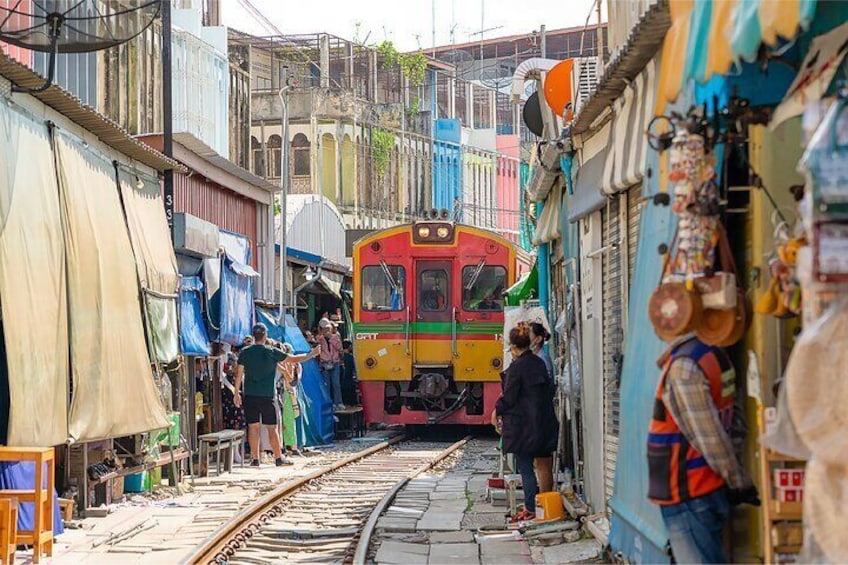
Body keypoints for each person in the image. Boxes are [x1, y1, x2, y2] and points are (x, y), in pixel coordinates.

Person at [647, 334, 759, 564]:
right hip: (702, 489)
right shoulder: (717, 356)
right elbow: (736, 424)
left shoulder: (686, 364)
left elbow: (710, 437)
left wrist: (737, 480)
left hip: (689, 491)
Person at [493, 322, 559, 521]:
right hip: (543, 423)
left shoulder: (517, 367)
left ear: (513, 347)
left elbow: (510, 397)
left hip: (523, 426)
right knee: (543, 464)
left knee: (525, 467)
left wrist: (497, 410)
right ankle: (541, 507)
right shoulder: (539, 362)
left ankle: (530, 508)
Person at [234, 323, 318, 467]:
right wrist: (311, 354)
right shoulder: (271, 351)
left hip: (250, 395)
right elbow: (293, 359)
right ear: (265, 336)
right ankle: (278, 458)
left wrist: (236, 393)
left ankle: (255, 459)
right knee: (272, 428)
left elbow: (239, 374)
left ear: (254, 335)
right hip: (267, 395)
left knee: (253, 427)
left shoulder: (245, 352)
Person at [528, 322, 555, 494]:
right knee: (539, 463)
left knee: (543, 463)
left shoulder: (541, 360)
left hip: (541, 417)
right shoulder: (539, 358)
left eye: (528, 334)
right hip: (539, 415)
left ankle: (544, 502)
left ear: (537, 339)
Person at [278, 342, 302, 457]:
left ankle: (287, 445)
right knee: (289, 420)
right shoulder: (290, 364)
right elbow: (291, 381)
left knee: (284, 421)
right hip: (288, 392)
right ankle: (292, 446)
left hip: (284, 393)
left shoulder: (286, 363)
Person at [319, 317, 344, 410]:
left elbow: (339, 347)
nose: (326, 330)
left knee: (336, 383)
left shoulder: (335, 337)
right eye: (324, 329)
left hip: (335, 363)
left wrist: (330, 338)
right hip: (325, 363)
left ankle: (339, 402)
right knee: (327, 384)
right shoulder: (320, 339)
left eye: (328, 328)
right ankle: (330, 403)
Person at [340, 339, 358, 406]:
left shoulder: (340, 357)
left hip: (342, 381)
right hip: (349, 379)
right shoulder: (351, 357)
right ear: (349, 346)